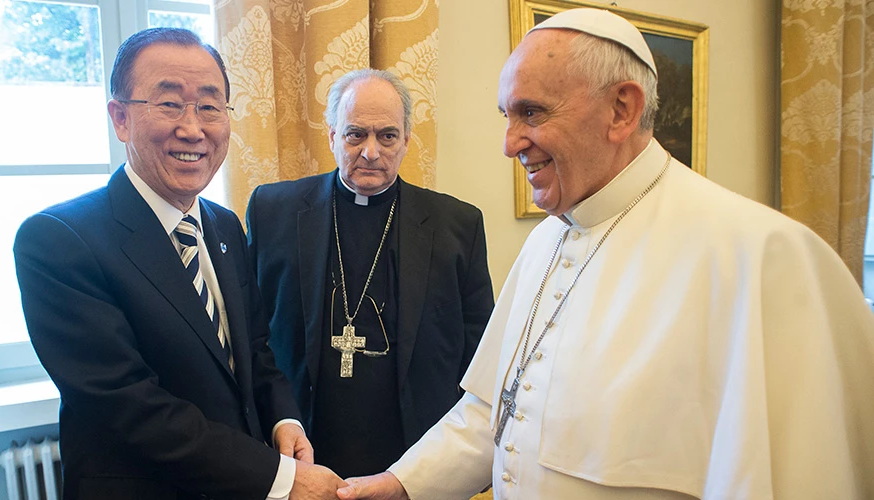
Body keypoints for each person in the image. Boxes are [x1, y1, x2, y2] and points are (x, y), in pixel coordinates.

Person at [335, 8, 874, 500]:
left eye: (531, 113)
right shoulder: (545, 241)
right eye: (507, 115)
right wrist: (400, 485)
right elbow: (495, 414)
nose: (509, 142)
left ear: (621, 109)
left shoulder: (761, 259)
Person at [14, 28, 345, 500]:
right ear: (120, 118)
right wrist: (281, 480)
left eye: (210, 106)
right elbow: (131, 407)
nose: (193, 129)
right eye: (169, 104)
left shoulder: (225, 225)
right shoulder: (59, 241)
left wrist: (283, 418)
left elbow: (254, 348)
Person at [246, 69, 495, 478]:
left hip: (414, 454)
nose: (371, 152)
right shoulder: (273, 211)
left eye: (387, 136)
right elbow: (252, 330)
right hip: (303, 445)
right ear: (331, 136)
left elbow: (479, 352)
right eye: (355, 134)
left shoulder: (457, 225)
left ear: (407, 139)